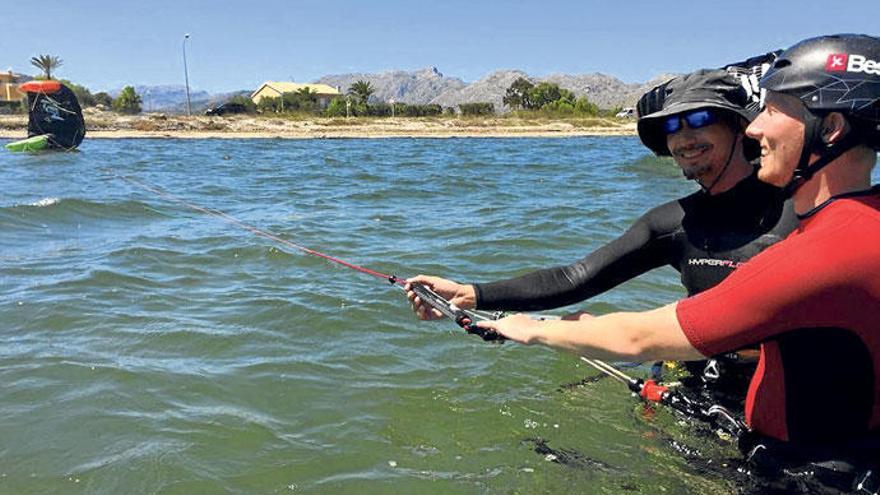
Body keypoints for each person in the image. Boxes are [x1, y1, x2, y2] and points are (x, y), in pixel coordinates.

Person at [470, 34, 880, 492]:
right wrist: (477, 295)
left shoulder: (821, 251)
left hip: (814, 474)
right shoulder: (857, 225)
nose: (755, 129)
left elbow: (638, 337)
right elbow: (581, 277)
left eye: (771, 110)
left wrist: (530, 328)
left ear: (832, 129)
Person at [407, 67, 797, 408]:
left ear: (738, 126)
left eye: (697, 119)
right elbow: (574, 277)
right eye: (671, 127)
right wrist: (469, 294)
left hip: (783, 398)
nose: (683, 138)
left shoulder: (799, 211)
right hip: (700, 385)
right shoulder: (675, 222)